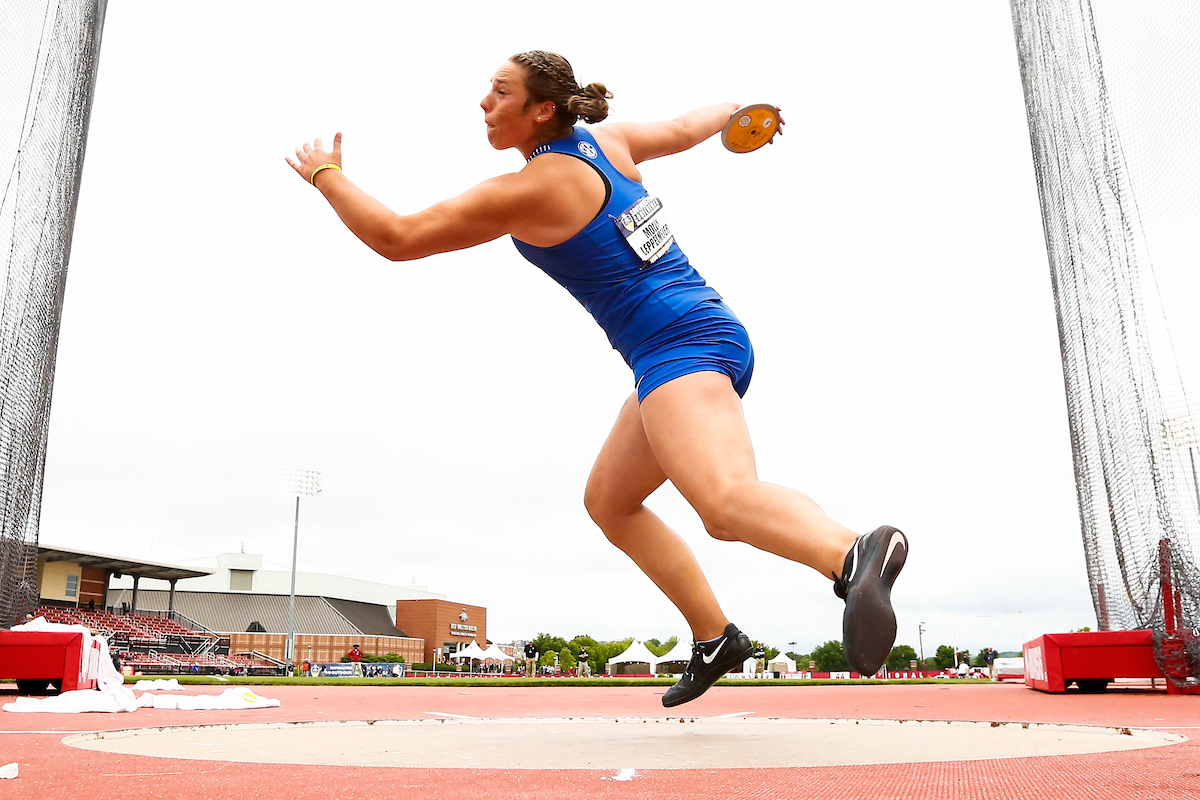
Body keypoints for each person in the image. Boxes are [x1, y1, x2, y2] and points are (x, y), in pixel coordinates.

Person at [288, 50, 908, 708]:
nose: (484, 104)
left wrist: (327, 176)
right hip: (689, 339)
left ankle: (849, 553)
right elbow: (684, 126)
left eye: (500, 93)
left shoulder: (531, 187)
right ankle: (714, 637)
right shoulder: (607, 143)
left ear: (542, 109)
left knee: (724, 504)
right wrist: (736, 113)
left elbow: (397, 236)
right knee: (611, 502)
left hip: (681, 347)